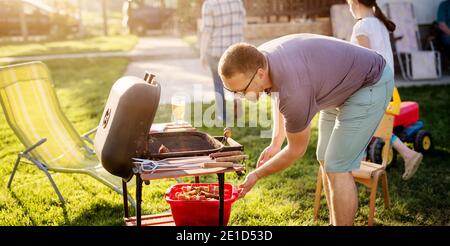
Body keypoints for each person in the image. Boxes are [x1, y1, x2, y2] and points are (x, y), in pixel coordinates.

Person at [218, 34, 394, 226]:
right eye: (233, 92)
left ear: (260, 74)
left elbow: (296, 150)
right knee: (325, 159)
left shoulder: (294, 92)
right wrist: (276, 141)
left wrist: (257, 174)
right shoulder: (259, 58)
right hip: (339, 86)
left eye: (242, 91)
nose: (241, 97)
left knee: (337, 165)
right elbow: (278, 94)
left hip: (369, 82)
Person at [347, 0, 423, 181]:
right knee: (372, 124)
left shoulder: (361, 26)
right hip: (386, 83)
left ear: (355, 2)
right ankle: (405, 154)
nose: (348, 7)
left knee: (358, 123)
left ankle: (355, 163)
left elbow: (365, 63)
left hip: (372, 84)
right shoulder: (378, 22)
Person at [200, 0, 246, 122]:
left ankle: (223, 117)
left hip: (216, 52)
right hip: (237, 51)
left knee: (218, 84)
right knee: (238, 82)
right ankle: (238, 113)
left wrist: (202, 53)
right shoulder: (237, 1)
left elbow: (206, 32)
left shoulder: (209, 4)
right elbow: (242, 24)